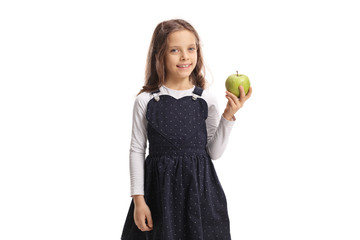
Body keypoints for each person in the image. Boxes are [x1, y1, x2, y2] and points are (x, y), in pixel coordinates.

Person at [120, 19, 252, 240]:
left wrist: (228, 115)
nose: (185, 56)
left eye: (191, 49)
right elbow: (136, 150)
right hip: (159, 193)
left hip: (200, 193)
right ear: (159, 55)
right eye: (174, 50)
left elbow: (214, 153)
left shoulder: (204, 99)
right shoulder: (146, 100)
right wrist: (138, 200)